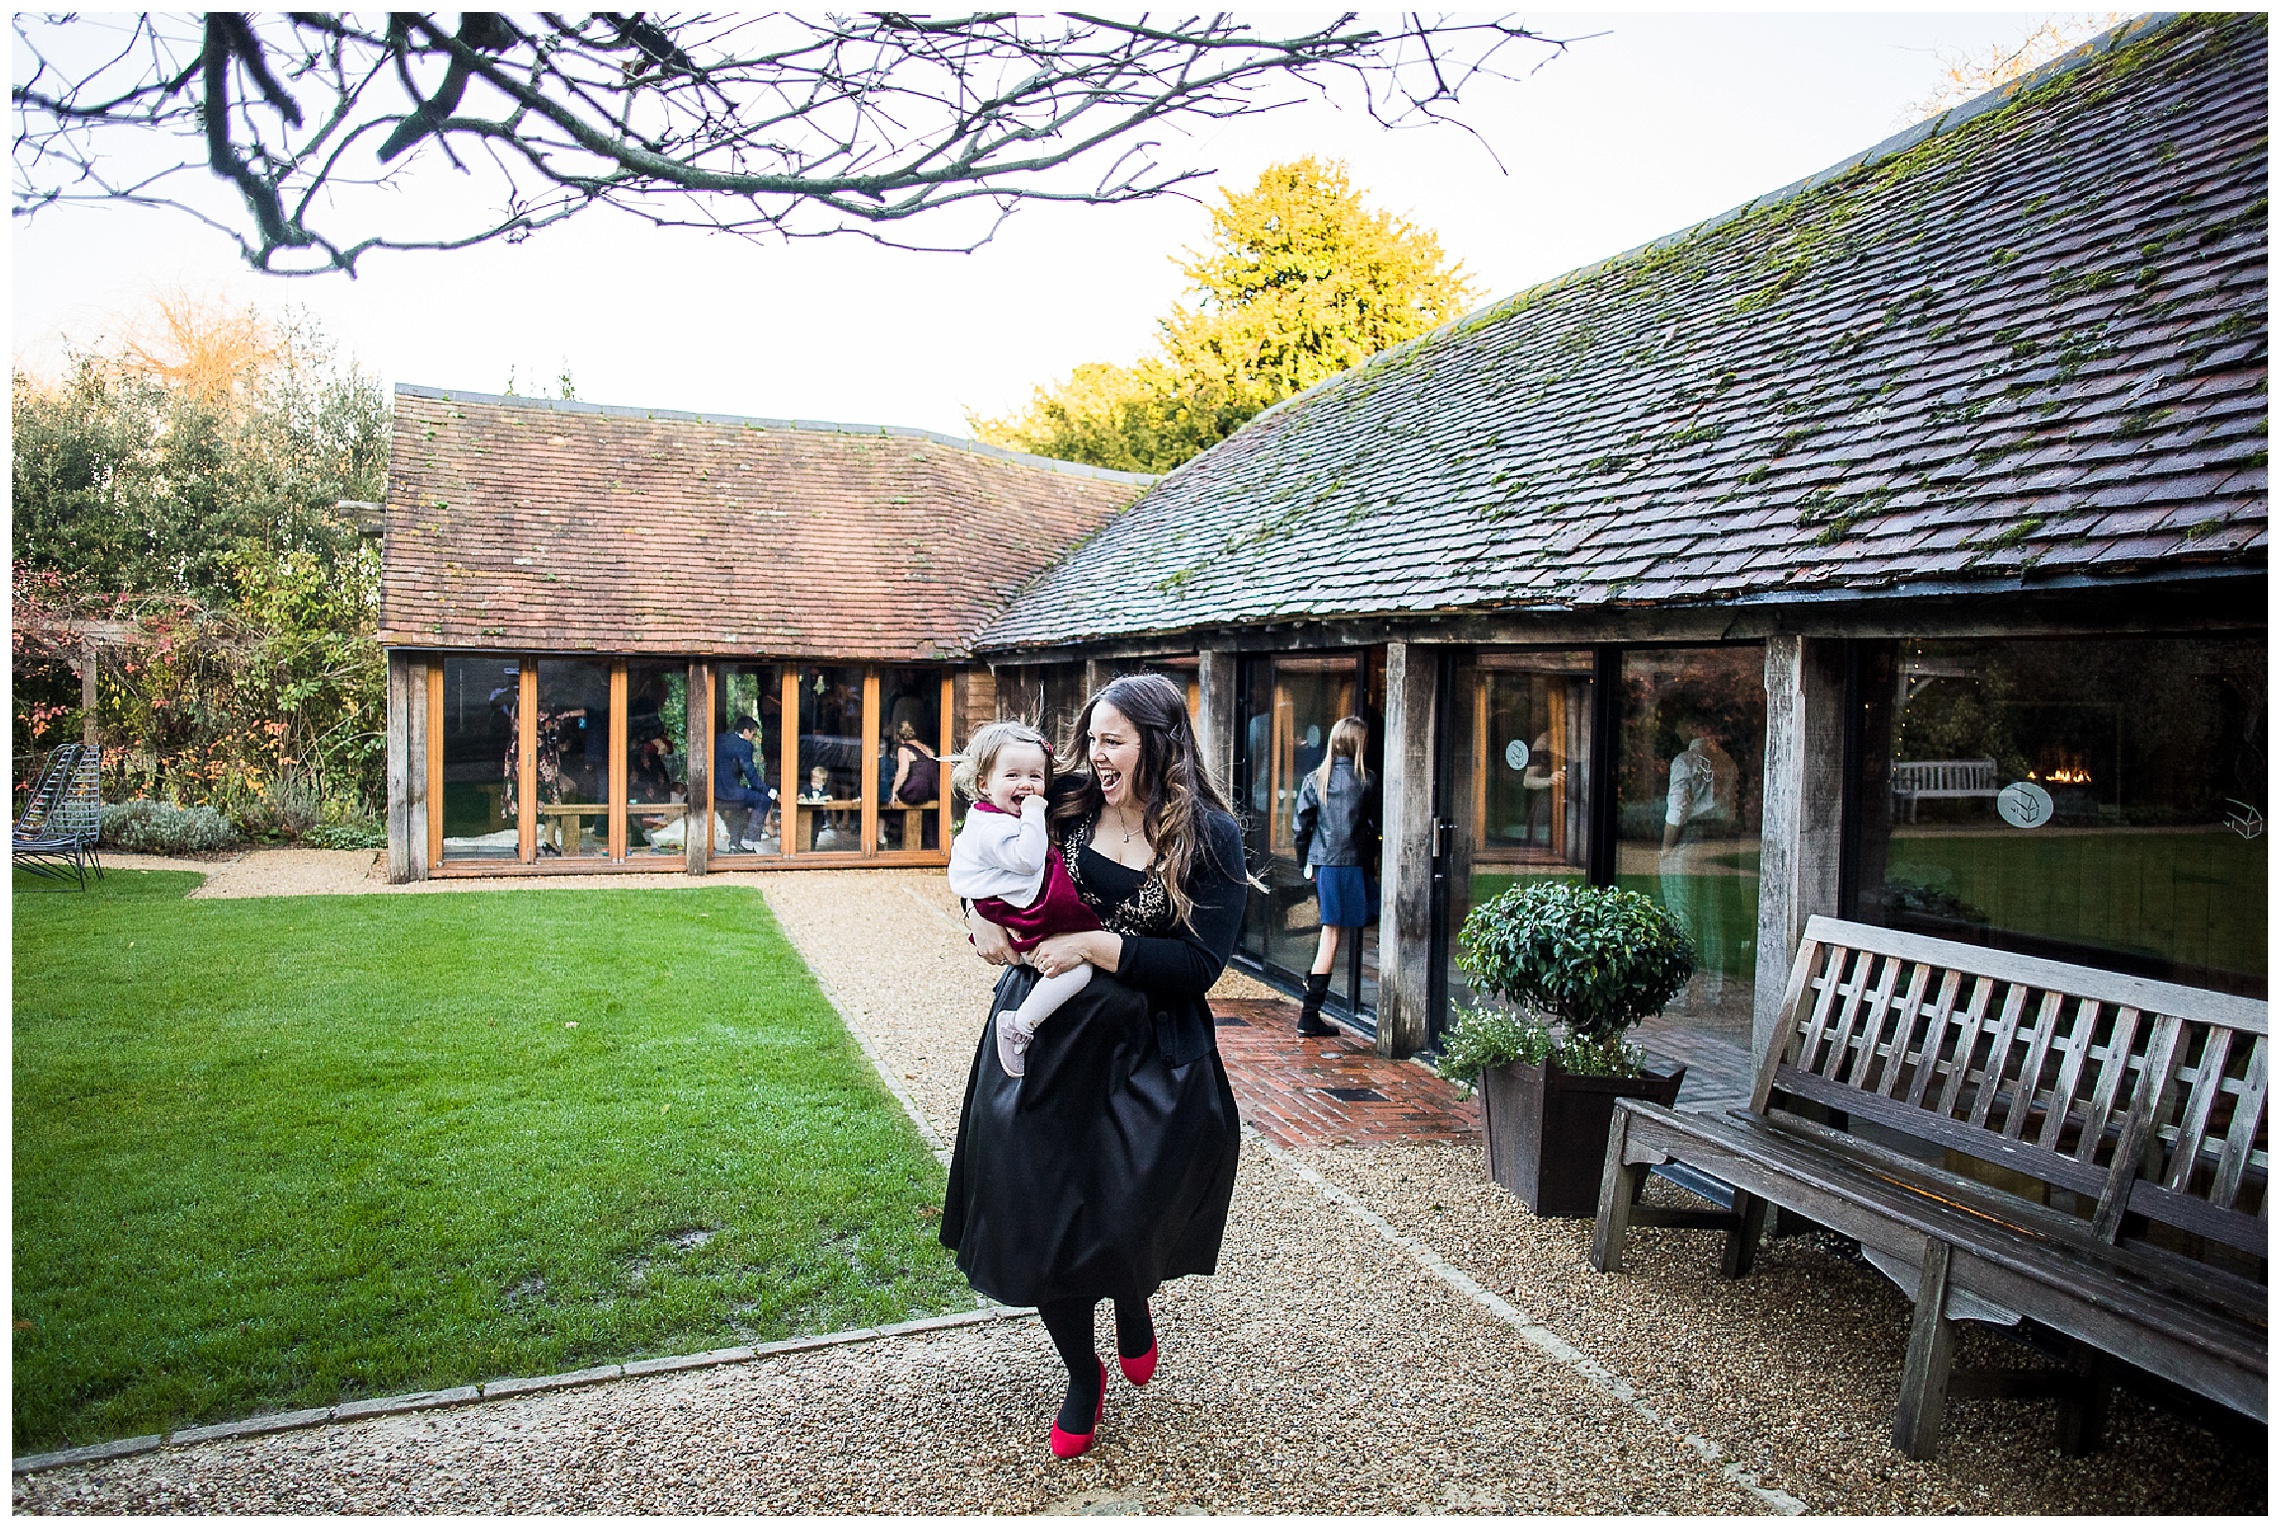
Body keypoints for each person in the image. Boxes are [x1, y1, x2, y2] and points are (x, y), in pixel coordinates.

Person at [942, 674, 1245, 1463]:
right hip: (1040, 1038)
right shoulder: (1069, 799)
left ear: (1159, 743)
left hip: (1145, 1049)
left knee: (1122, 1201)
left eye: (1112, 741)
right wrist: (974, 916)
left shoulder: (1209, 833)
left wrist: (1094, 946)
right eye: (1091, 739)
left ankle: (1132, 1297)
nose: (1092, 756)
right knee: (1037, 1207)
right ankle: (1083, 1371)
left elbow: (1200, 964)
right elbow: (978, 845)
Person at [946, 721, 1105, 1077]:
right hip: (1025, 911)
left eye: (1036, 775)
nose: (1026, 784)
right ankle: (1021, 1023)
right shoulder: (999, 824)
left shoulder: (998, 816)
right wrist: (1035, 812)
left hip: (1022, 906)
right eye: (1013, 774)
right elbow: (1027, 859)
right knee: (1077, 969)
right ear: (984, 784)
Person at [1290, 715, 1379, 1037]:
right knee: (1333, 935)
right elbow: (1373, 826)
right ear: (1359, 744)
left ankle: (1310, 1009)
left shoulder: (1316, 779)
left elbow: (1301, 826)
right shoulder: (1367, 780)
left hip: (1327, 864)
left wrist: (1307, 863)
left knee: (1333, 934)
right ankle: (1308, 1015)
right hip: (1352, 865)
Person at [714, 714, 773, 851]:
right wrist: (769, 791)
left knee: (741, 806)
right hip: (729, 793)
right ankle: (750, 840)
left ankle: (735, 844)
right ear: (746, 731)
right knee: (764, 800)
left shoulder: (719, 739)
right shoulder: (744, 745)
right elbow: (750, 774)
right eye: (753, 734)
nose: (753, 739)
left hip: (714, 792)